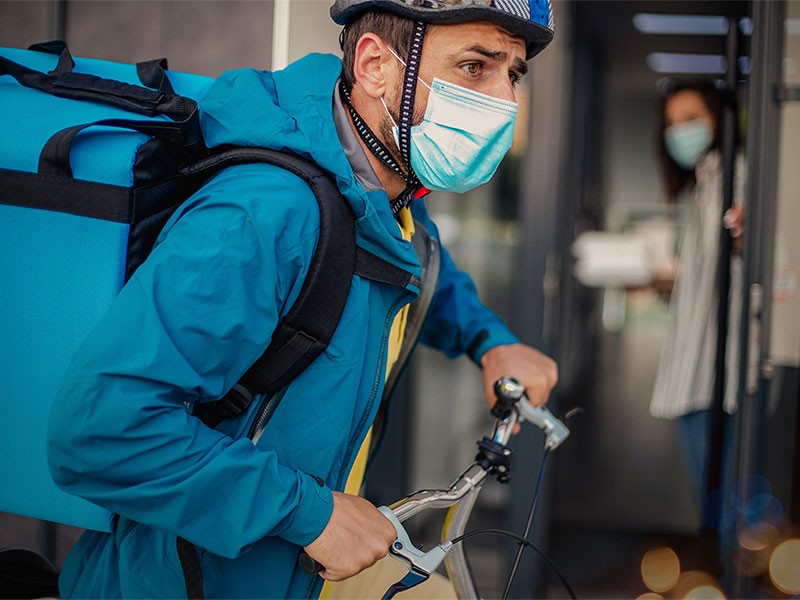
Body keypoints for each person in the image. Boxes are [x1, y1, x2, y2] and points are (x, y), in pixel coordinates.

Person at [45, 0, 558, 598]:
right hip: (197, 577)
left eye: (513, 74)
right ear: (375, 66)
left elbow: (419, 271)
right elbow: (98, 428)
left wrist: (490, 342)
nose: (504, 100)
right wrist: (310, 514)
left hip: (301, 566)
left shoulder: (386, 192)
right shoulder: (264, 214)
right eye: (476, 68)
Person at [649, 79, 743, 514]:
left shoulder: (734, 177)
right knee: (713, 501)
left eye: (690, 119)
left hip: (714, 373)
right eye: (671, 123)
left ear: (719, 122)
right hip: (694, 365)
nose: (679, 132)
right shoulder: (703, 183)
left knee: (722, 506)